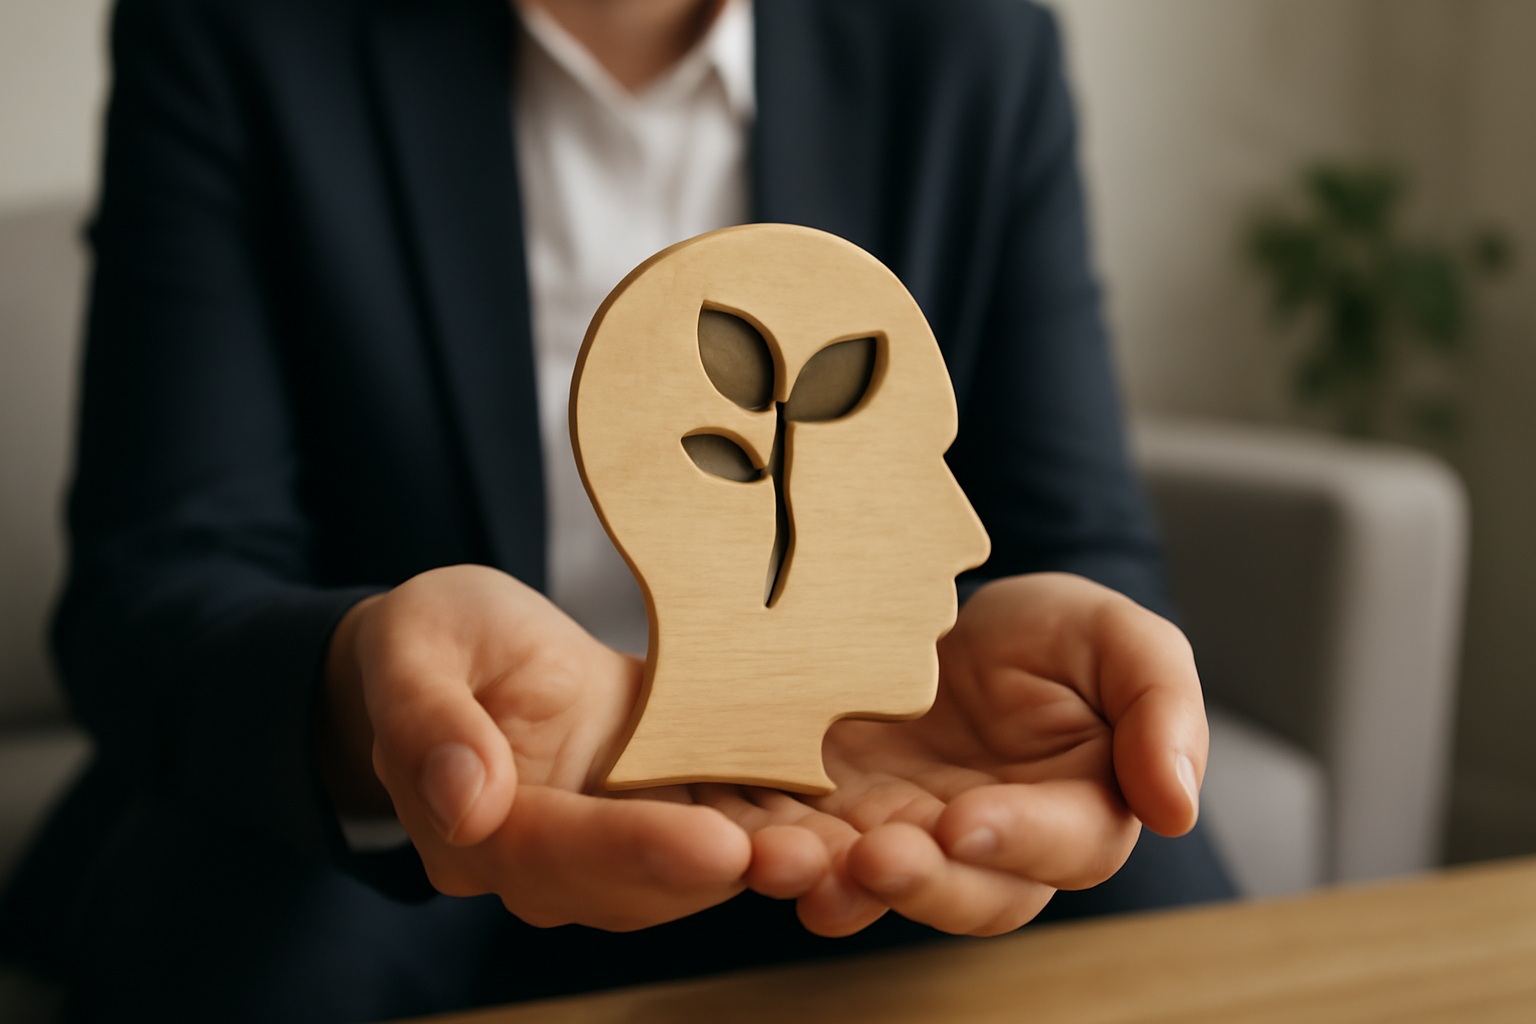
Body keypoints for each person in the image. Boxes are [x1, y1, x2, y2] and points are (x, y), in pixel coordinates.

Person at [0, 0, 1232, 1020]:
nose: (957, 536)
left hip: (864, 761)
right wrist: (368, 696)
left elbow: (1078, 536)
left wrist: (1083, 644)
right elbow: (155, 581)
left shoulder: (969, 39)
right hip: (392, 793)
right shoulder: (234, 30)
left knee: (1161, 917)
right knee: (262, 947)